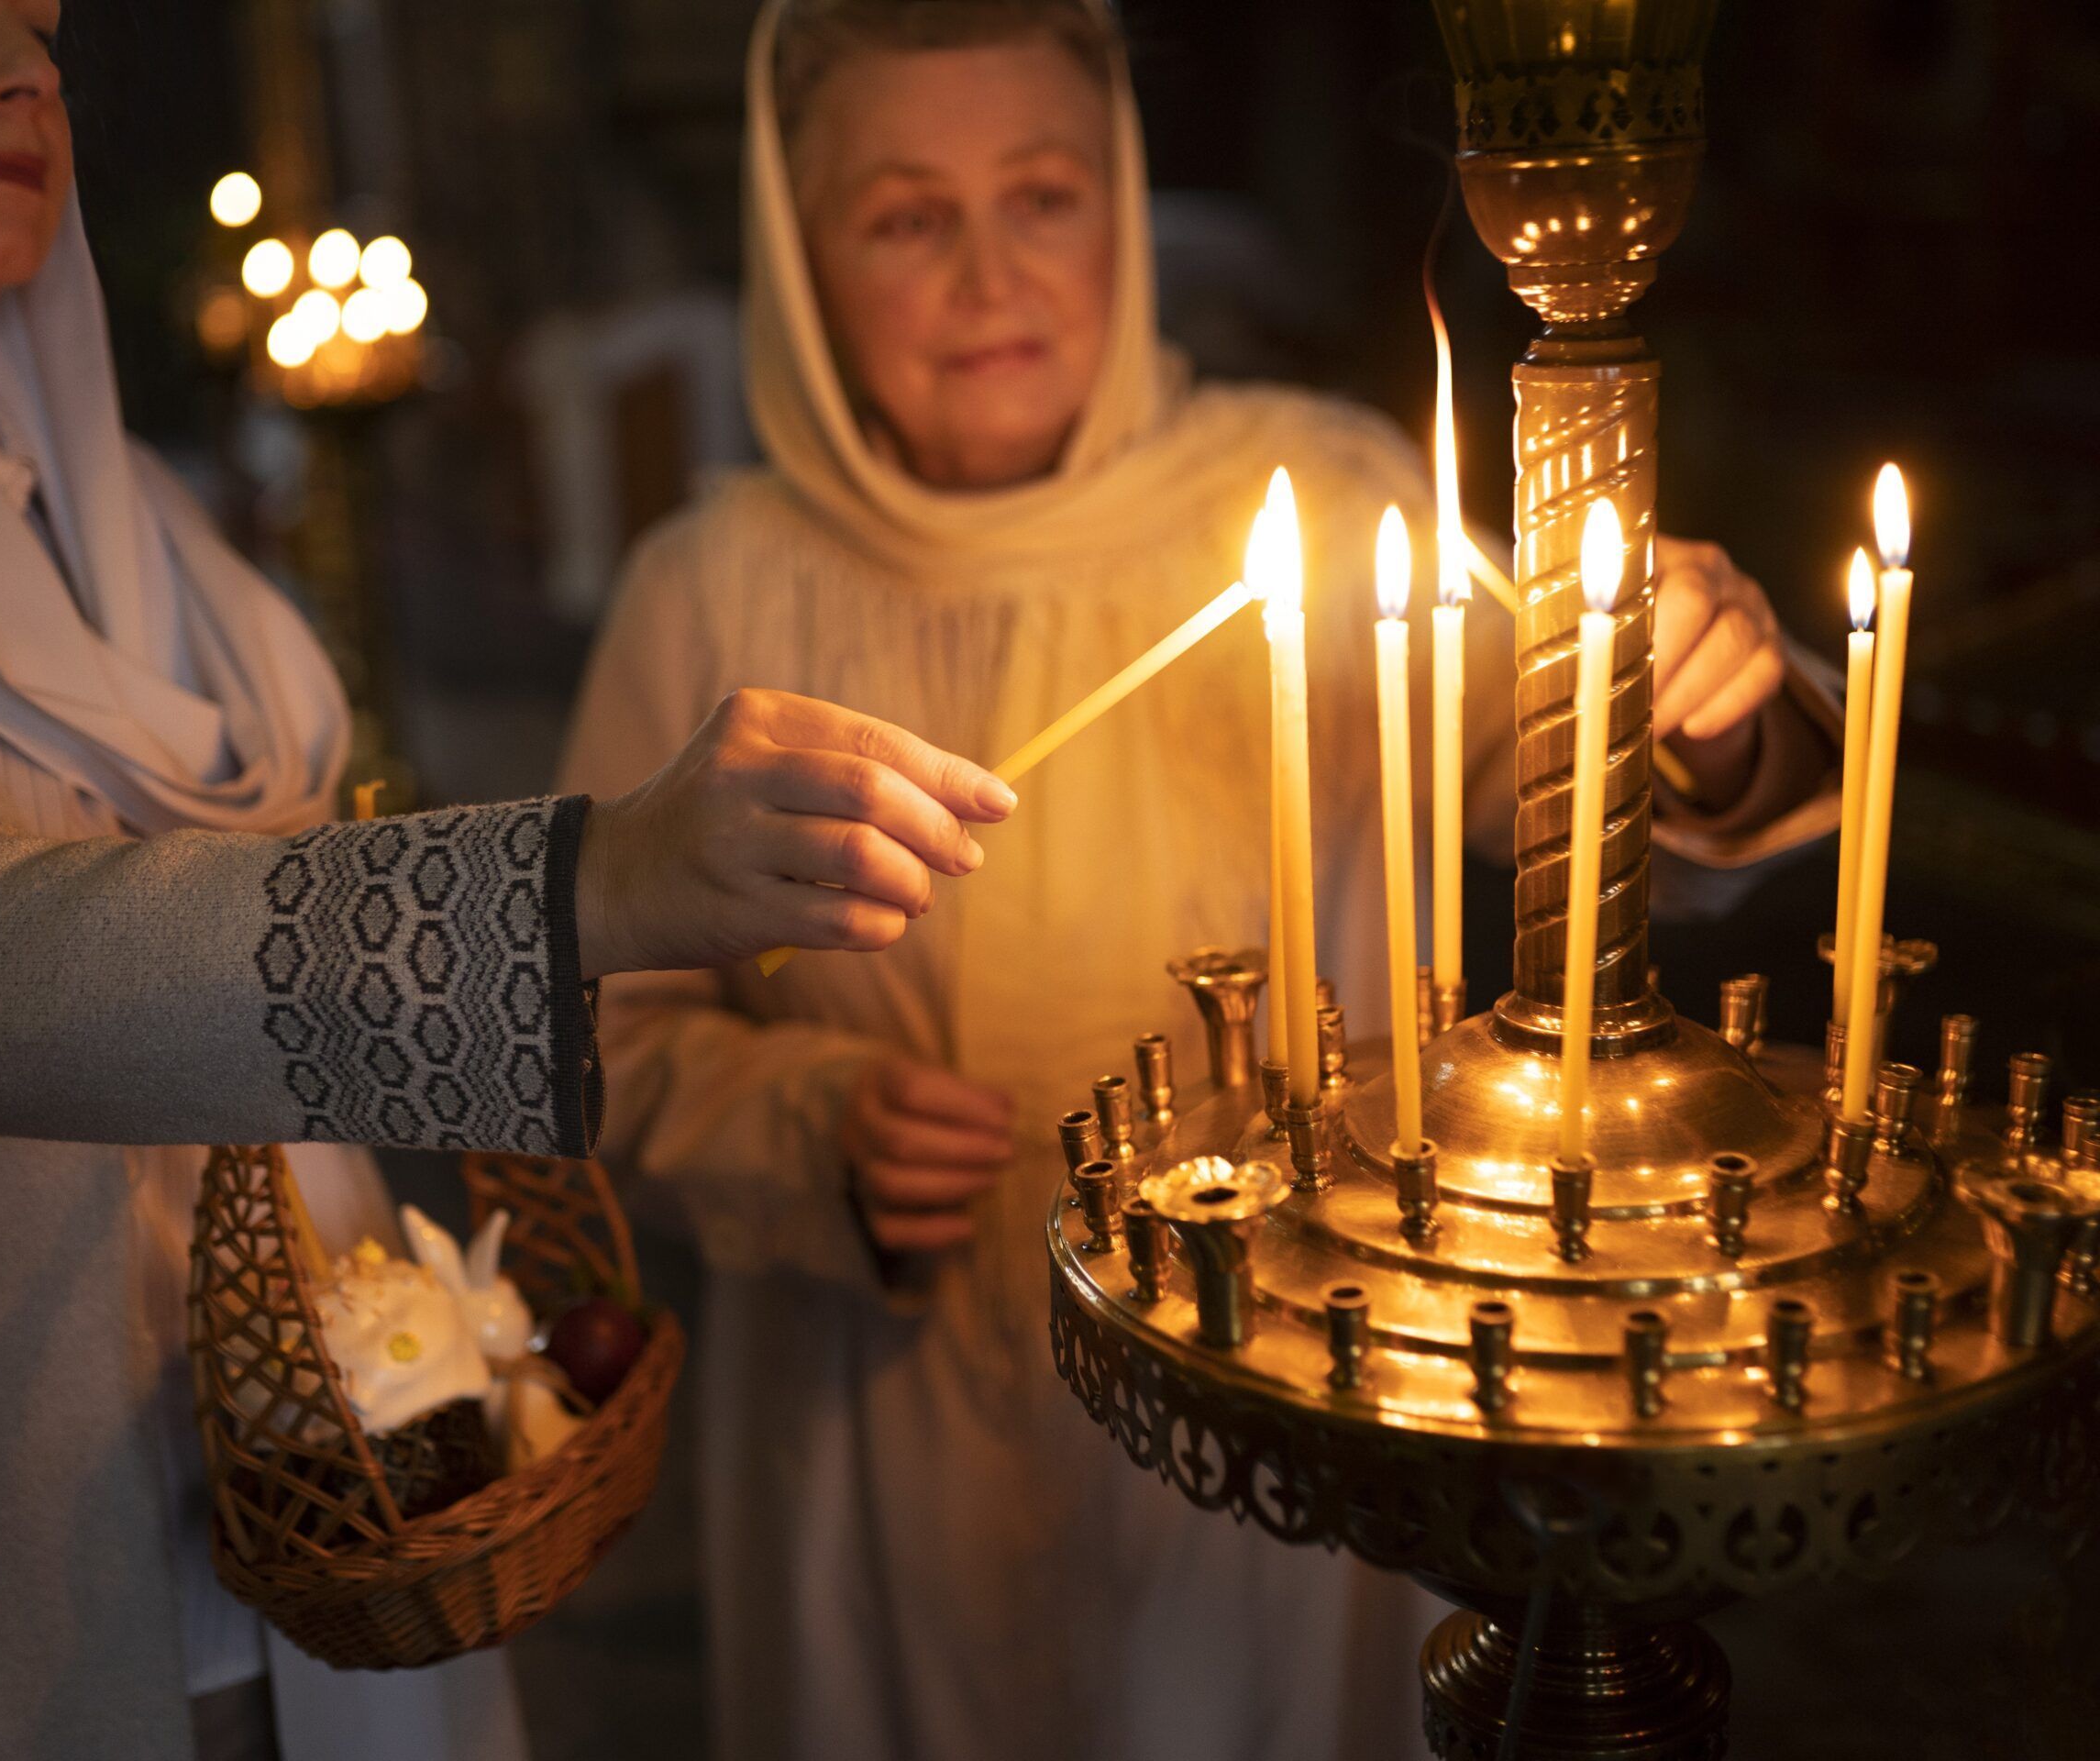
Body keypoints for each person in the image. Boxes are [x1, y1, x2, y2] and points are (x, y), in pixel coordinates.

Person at [558, 3, 1840, 1758]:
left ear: (1126, 201)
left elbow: (1583, 801)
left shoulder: (1316, 491)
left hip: (1294, 1393)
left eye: (1045, 195)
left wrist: (1693, 706)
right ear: (796, 256)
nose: (991, 275)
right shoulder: (709, 594)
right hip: (891, 1428)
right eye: (908, 218)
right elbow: (596, 1029)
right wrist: (798, 1127)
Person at [0, 5, 1018, 1760]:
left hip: (323, 1492)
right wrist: (582, 885)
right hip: (8, 1529)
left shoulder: (126, 508)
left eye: (40, 22)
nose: (28, 68)